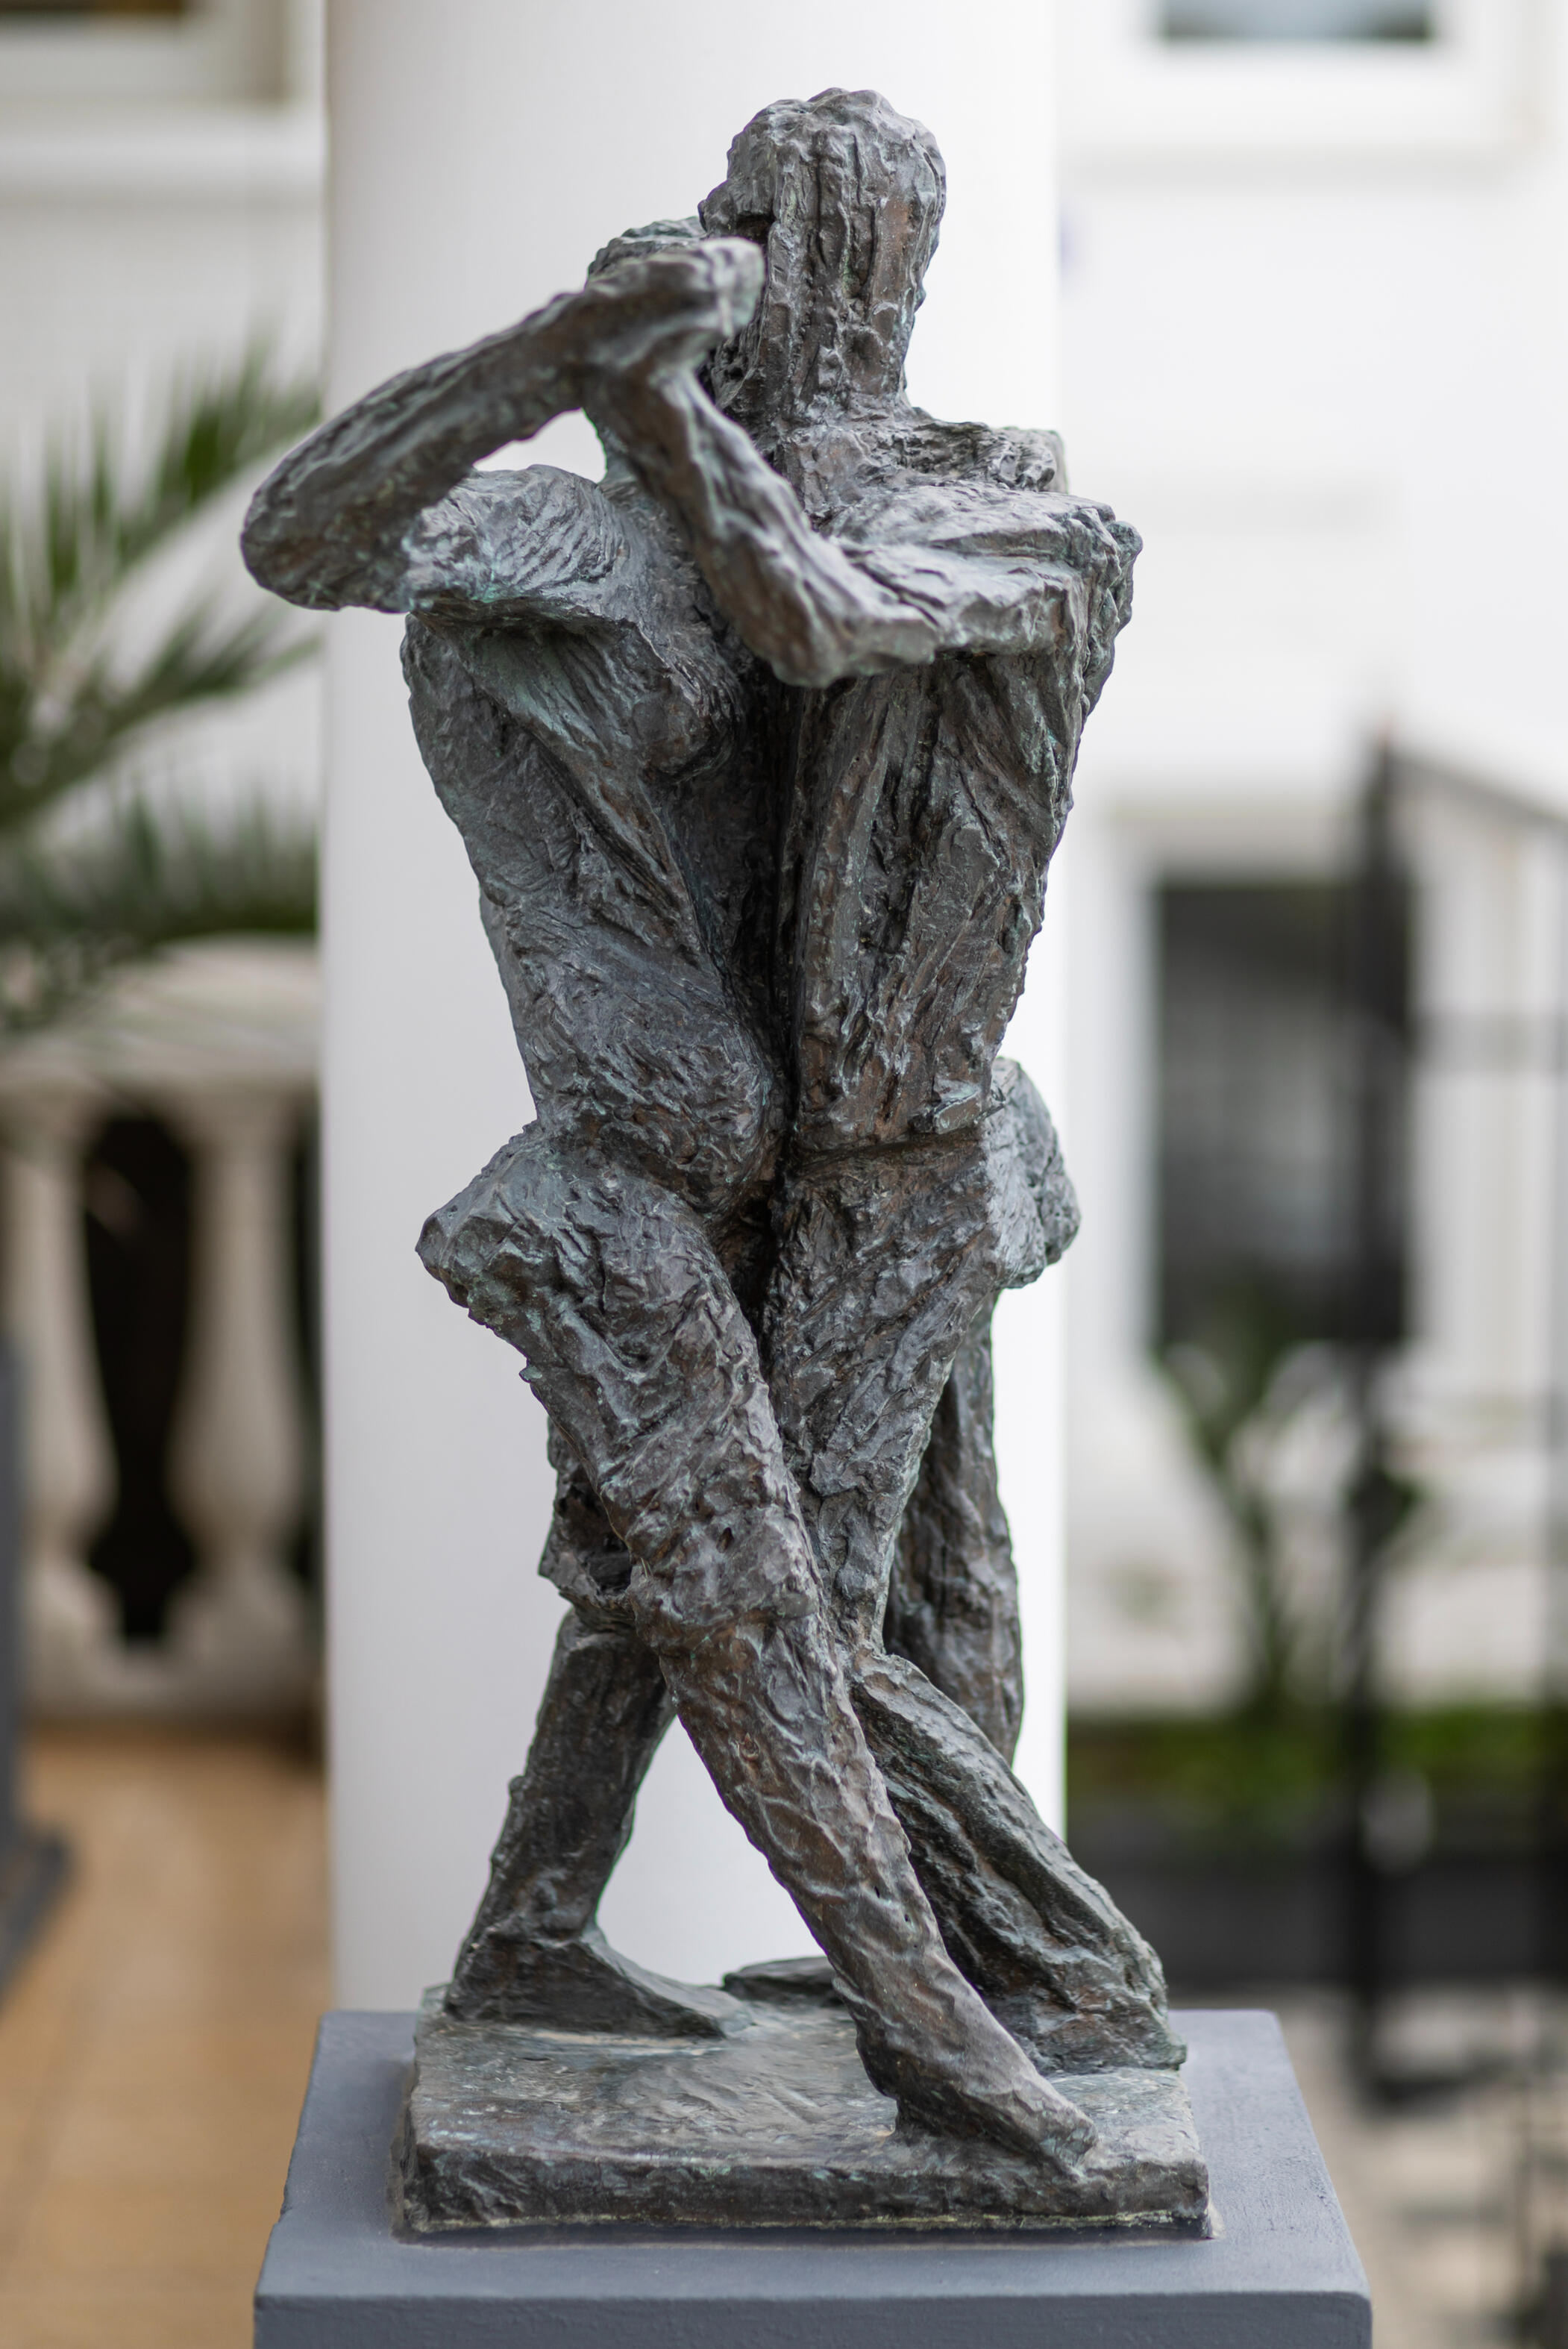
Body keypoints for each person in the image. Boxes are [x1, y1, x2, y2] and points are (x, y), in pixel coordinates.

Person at [243, 88, 1177, 2168]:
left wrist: (648, 394)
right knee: (754, 1600)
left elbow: (816, 613)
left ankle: (542, 1940)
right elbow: (304, 537)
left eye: (795, 231)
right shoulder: (563, 547)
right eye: (748, 224)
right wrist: (550, 362)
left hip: (878, 1151)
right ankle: (976, 2014)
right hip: (639, 1178)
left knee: (863, 1580)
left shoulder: (960, 511)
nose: (753, 264)